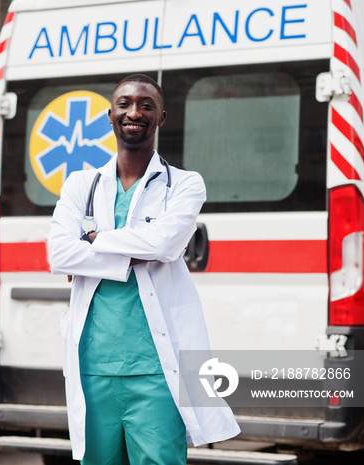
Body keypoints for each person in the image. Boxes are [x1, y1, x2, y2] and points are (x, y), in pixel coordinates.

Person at [47, 74, 240, 465]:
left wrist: (92, 240)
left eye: (146, 105)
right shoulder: (81, 184)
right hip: (92, 369)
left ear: (161, 117)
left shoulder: (184, 185)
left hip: (156, 372)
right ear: (110, 115)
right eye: (125, 104)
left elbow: (164, 245)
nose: (134, 112)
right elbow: (59, 254)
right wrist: (134, 248)